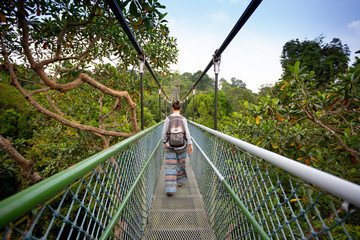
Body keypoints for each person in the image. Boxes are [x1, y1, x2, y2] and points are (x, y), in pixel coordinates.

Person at [162, 100, 193, 197]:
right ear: (180, 109)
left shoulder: (168, 118)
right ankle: (179, 181)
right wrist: (190, 143)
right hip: (182, 145)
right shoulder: (183, 119)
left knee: (170, 166)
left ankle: (170, 189)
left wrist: (164, 142)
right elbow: (187, 132)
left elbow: (164, 132)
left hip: (170, 145)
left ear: (172, 108)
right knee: (181, 163)